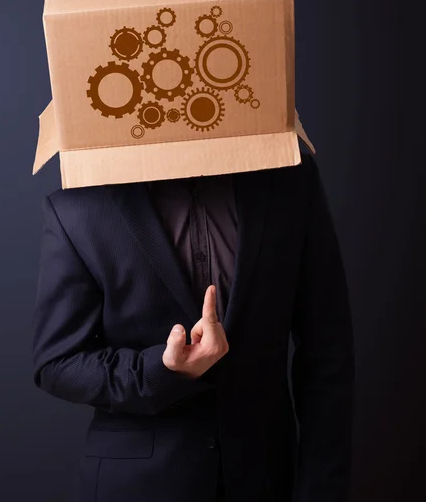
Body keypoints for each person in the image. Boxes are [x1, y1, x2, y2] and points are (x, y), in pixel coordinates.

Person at [32, 151, 355, 502]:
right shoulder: (82, 202)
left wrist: (322, 488)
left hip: (267, 479)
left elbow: (328, 351)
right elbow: (58, 363)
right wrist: (161, 370)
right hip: (138, 485)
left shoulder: (288, 177)